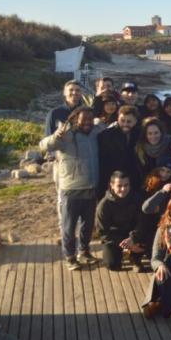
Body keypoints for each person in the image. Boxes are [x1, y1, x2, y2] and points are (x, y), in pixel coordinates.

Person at [40, 106, 102, 270]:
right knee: (69, 226)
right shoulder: (66, 134)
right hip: (71, 189)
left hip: (91, 186)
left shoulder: (96, 132)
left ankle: (84, 251)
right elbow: (43, 145)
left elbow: (109, 127)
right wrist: (55, 136)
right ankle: (70, 257)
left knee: (87, 225)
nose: (87, 122)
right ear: (75, 119)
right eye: (84, 119)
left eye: (90, 119)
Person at [95, 171, 146, 272]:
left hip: (133, 234)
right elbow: (102, 232)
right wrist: (126, 244)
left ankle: (135, 258)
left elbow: (142, 222)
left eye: (126, 185)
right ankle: (121, 253)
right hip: (114, 237)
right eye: (119, 186)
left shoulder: (137, 199)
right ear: (112, 186)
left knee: (147, 236)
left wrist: (132, 239)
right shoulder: (103, 205)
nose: (123, 189)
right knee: (112, 265)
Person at [98, 105, 142, 194]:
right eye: (122, 121)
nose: (125, 124)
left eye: (129, 121)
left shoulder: (140, 134)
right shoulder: (106, 135)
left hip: (133, 179)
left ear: (135, 121)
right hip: (112, 180)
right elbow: (102, 161)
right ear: (118, 119)